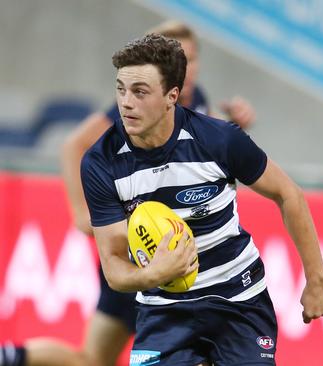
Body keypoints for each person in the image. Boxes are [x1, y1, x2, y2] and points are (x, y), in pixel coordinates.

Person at [0, 21, 257, 366]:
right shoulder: (139, 107)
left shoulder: (198, 100)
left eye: (192, 58)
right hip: (144, 253)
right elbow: (74, 145)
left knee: (94, 359)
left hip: (176, 257)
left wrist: (235, 125)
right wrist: (82, 215)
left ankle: (13, 356)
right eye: (180, 58)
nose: (188, 67)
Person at [81, 33, 323, 365]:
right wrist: (153, 275)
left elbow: (288, 194)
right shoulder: (101, 162)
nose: (125, 103)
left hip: (238, 301)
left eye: (140, 92)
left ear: (172, 95)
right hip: (163, 310)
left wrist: (318, 280)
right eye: (121, 89)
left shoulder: (218, 140)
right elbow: (114, 269)